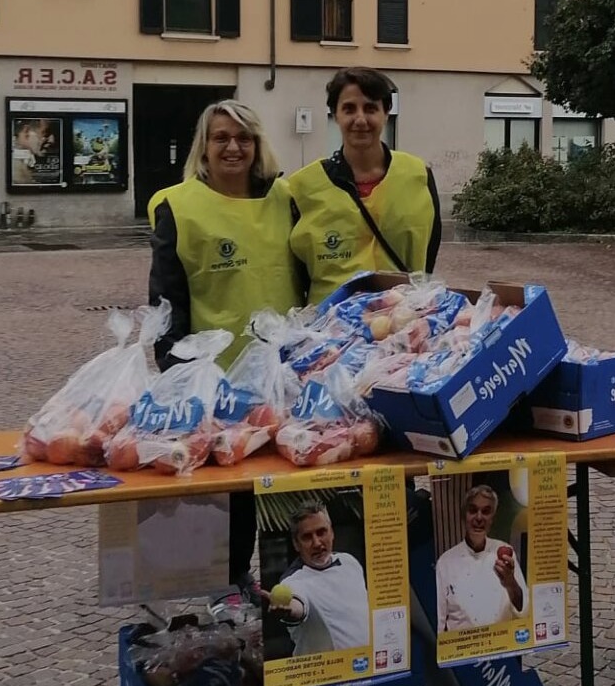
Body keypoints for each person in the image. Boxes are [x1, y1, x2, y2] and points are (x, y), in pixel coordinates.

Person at [145, 99, 308, 592]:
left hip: (283, 377)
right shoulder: (178, 206)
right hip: (217, 381)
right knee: (229, 497)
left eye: (243, 137)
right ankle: (230, 588)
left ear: (257, 145)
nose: (233, 147)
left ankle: (289, 594)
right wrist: (178, 372)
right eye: (221, 138)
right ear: (204, 147)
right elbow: (165, 302)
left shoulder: (287, 201)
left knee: (285, 489)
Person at [287, 67, 443, 304]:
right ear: (335, 114)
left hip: (399, 325)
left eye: (371, 108)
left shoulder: (419, 175)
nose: (360, 119)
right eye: (349, 109)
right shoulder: (302, 186)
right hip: (330, 331)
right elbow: (298, 274)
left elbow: (427, 257)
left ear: (386, 113)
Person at [262, 500, 372, 656]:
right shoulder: (292, 581)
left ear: (332, 533)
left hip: (367, 667)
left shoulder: (349, 561)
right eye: (307, 537)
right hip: (325, 674)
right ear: (296, 544)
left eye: (321, 532)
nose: (317, 542)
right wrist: (289, 610)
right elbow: (297, 606)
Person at [435, 485, 527, 632]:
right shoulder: (445, 562)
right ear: (464, 515)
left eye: (486, 512)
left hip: (501, 644)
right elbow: (439, 622)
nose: (479, 517)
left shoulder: (504, 551)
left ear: (493, 518)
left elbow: (523, 608)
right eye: (473, 510)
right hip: (463, 648)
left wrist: (510, 582)